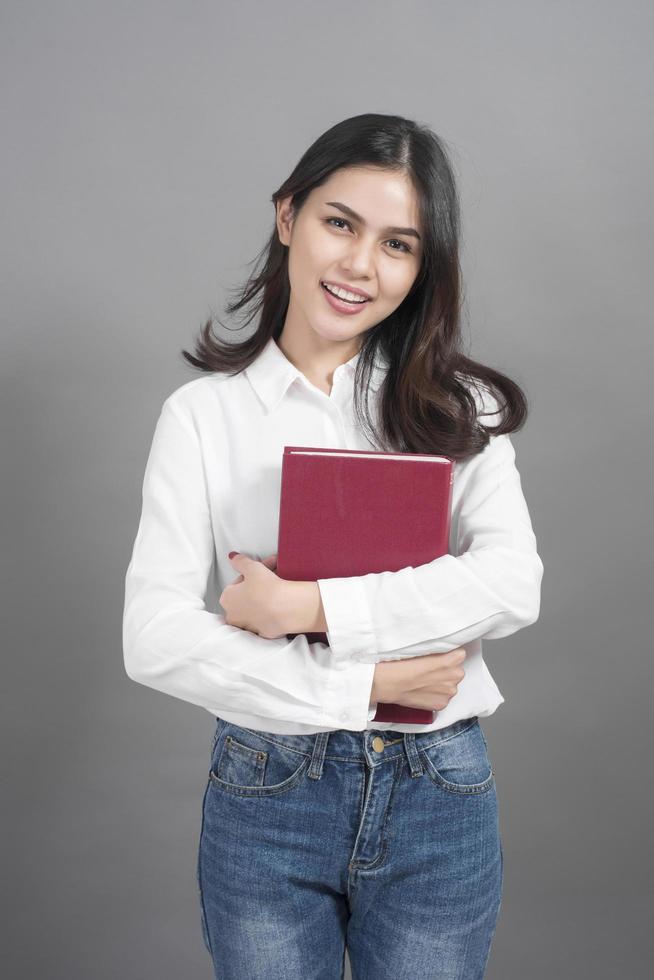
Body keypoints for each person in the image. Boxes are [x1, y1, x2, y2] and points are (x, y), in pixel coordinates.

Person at [122, 112, 544, 980]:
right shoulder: (201, 417)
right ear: (288, 218)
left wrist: (303, 609)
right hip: (266, 791)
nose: (359, 266)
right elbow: (152, 637)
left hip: (439, 789)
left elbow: (511, 585)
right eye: (339, 223)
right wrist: (369, 682)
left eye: (399, 245)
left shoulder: (458, 410)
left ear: (423, 268)